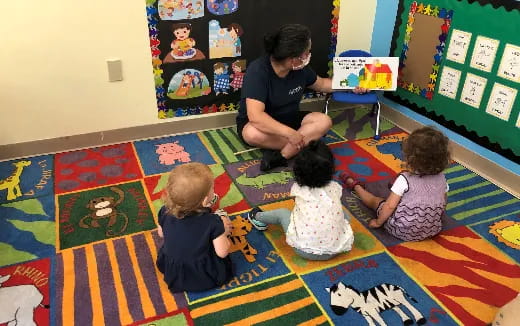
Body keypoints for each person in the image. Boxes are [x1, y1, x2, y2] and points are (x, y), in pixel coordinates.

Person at [236, 24, 366, 172]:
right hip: (261, 124)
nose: (308, 55)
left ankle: (283, 156)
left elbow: (322, 84)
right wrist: (291, 134)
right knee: (251, 134)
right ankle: (307, 146)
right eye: (306, 52)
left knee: (324, 120)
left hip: (290, 118)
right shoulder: (258, 71)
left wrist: (351, 85)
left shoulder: (301, 69)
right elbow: (256, 116)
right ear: (293, 59)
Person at [247, 140, 355, 260]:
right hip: (336, 248)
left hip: (304, 249)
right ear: (331, 168)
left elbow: (297, 205)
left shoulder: (299, 189)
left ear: (297, 170)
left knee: (283, 213)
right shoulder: (334, 187)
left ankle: (257, 217)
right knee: (339, 211)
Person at [341, 126, 451, 241]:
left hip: (401, 231)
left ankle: (356, 186)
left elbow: (390, 206)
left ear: (410, 158)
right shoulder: (442, 178)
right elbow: (443, 202)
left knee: (377, 201)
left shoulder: (405, 179)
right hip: (431, 229)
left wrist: (378, 223)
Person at [156, 162, 233, 292]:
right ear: (204, 201)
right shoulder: (212, 222)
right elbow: (222, 252)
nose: (214, 190)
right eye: (212, 189)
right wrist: (224, 231)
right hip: (202, 273)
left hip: (173, 269)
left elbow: (161, 234)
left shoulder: (164, 211)